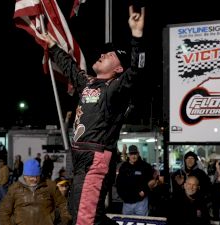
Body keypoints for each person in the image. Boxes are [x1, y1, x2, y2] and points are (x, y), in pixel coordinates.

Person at [41, 4, 145, 225]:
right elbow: (69, 67)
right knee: (79, 213)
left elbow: (136, 72)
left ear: (118, 70)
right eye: (104, 52)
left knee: (83, 219)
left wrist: (137, 38)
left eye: (109, 55)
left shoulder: (115, 89)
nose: (102, 54)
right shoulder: (88, 82)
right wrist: (52, 45)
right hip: (80, 158)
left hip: (95, 158)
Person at [0, 159, 71, 225]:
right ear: (24, 176)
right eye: (31, 177)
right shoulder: (15, 188)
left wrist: (65, 220)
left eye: (37, 176)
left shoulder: (49, 186)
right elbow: (4, 211)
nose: (35, 179)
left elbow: (62, 203)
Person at [116, 145, 154, 216]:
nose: (133, 156)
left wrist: (145, 191)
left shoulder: (145, 166)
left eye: (135, 154)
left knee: (142, 223)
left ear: (138, 153)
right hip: (127, 203)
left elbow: (152, 181)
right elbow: (118, 183)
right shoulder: (123, 167)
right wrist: (122, 196)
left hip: (141, 203)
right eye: (131, 154)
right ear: (128, 155)